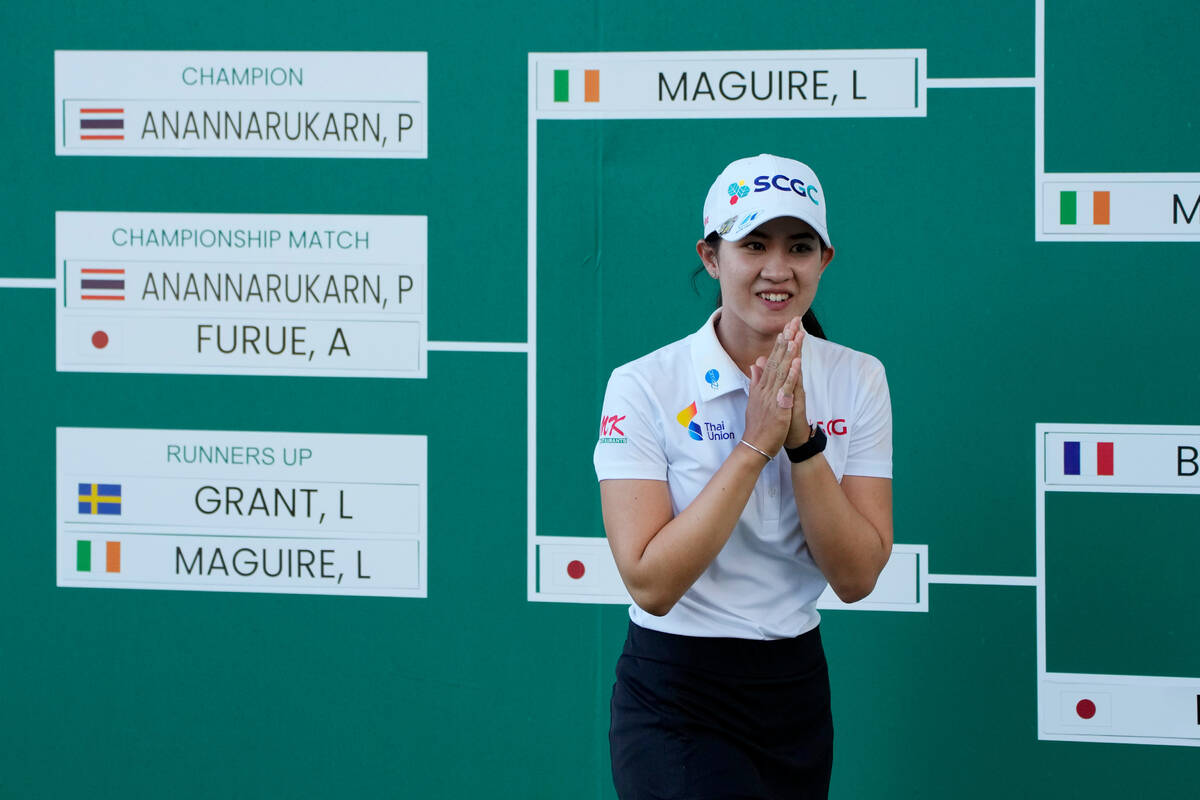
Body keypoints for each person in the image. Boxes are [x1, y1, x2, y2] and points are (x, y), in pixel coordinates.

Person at [593, 154, 894, 799]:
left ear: (825, 261)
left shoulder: (858, 377)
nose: (777, 268)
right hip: (677, 692)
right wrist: (756, 443)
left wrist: (803, 445)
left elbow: (857, 577)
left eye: (800, 246)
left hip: (794, 692)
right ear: (711, 257)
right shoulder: (643, 385)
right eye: (753, 243)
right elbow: (650, 581)